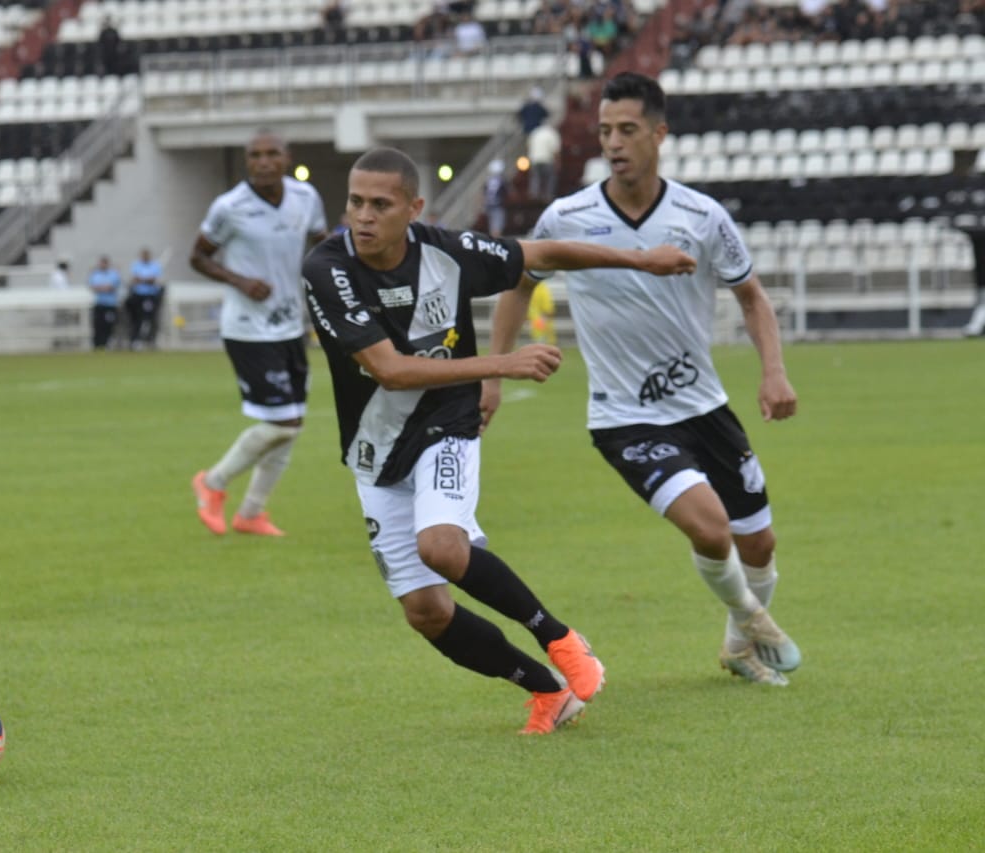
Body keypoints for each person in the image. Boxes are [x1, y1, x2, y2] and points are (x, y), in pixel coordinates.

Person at [301, 146, 696, 734]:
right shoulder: (327, 269)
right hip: (376, 447)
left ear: (413, 208)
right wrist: (500, 365)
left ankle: (559, 639)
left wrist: (639, 260)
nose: (362, 216)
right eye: (355, 202)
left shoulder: (446, 251)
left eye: (380, 204)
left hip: (448, 425)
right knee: (426, 612)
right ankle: (547, 690)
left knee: (442, 546)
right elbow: (391, 370)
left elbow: (542, 254)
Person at [490, 72, 802, 686]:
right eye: (605, 131)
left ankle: (738, 646)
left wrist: (774, 373)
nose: (613, 142)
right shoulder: (566, 216)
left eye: (628, 129)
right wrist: (495, 373)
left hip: (704, 406)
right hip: (624, 416)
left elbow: (752, 297)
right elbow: (519, 282)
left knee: (758, 544)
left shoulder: (701, 215)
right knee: (710, 527)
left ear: (659, 134)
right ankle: (753, 617)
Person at [189, 129, 328, 537]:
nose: (263, 161)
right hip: (248, 329)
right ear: (247, 160)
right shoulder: (229, 207)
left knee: (293, 424)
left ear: (287, 157)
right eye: (255, 155)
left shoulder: (306, 197)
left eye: (272, 154)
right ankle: (212, 483)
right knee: (282, 422)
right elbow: (196, 256)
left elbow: (322, 245)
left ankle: (252, 513)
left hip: (290, 324)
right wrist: (239, 280)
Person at [125, 248, 165, 350]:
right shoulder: (136, 265)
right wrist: (146, 279)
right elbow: (135, 279)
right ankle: (135, 340)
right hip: (138, 296)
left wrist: (143, 279)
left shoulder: (155, 265)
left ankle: (151, 340)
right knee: (137, 318)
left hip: (151, 296)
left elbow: (154, 280)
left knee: (151, 319)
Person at [87, 255, 121, 350]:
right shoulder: (95, 274)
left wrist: (101, 288)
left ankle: (107, 344)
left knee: (108, 325)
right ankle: (97, 345)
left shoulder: (113, 274)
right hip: (99, 304)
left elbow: (112, 287)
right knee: (98, 324)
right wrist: (104, 288)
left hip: (110, 304)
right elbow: (93, 287)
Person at [527, 121, 561, 200]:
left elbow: (528, 146)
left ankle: (534, 195)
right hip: (547, 159)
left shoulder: (535, 132)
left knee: (535, 177)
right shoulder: (552, 133)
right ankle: (548, 196)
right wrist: (558, 162)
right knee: (550, 178)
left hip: (534, 159)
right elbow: (555, 150)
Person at [482, 159, 508, 237]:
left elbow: (483, 194)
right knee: (497, 226)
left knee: (493, 226)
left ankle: (494, 239)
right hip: (497, 206)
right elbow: (506, 193)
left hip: (489, 206)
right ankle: (496, 242)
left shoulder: (488, 181)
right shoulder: (501, 181)